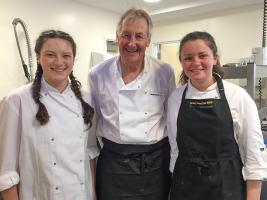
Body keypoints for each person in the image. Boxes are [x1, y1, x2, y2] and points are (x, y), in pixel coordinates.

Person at [167, 31, 267, 200]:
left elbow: (253, 156)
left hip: (227, 188)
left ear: (215, 58)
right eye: (188, 57)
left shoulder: (237, 96)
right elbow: (175, 152)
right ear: (182, 62)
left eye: (202, 56)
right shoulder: (175, 98)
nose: (195, 62)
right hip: (185, 188)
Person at [88, 8, 175, 200]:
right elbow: (92, 128)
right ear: (117, 37)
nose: (132, 43)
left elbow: (171, 121)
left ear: (148, 41)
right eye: (126, 35)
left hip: (155, 164)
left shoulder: (164, 71)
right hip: (113, 164)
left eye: (139, 36)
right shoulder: (97, 74)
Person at [0, 30, 99, 200]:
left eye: (66, 55)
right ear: (38, 57)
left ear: (73, 60)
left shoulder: (87, 99)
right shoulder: (16, 102)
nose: (59, 62)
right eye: (50, 55)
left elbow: (89, 155)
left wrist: (93, 195)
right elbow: (6, 172)